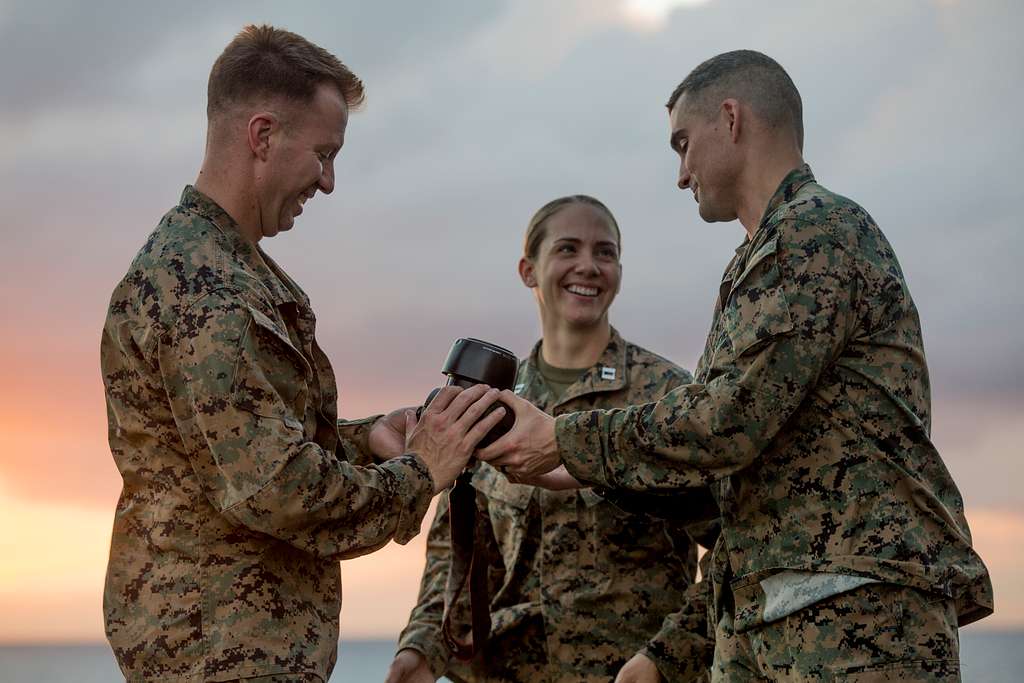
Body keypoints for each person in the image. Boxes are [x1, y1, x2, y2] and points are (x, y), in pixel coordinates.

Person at [480, 50, 993, 680]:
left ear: (730, 118)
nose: (681, 173)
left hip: (856, 608)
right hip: (762, 613)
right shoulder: (759, 257)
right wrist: (589, 472)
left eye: (683, 144)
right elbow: (732, 472)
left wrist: (564, 441)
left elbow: (731, 418)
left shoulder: (817, 233)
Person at [100, 25, 504, 682]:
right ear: (262, 135)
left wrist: (366, 438)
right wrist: (421, 471)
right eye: (323, 154)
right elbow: (277, 489)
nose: (330, 180)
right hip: (219, 655)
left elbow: (251, 445)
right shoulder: (210, 290)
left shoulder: (235, 271)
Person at [385, 196, 718, 683]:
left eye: (605, 253)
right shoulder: (491, 406)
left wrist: (667, 658)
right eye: (568, 249)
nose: (589, 265)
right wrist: (419, 652)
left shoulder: (669, 397)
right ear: (528, 269)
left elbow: (737, 541)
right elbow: (457, 557)